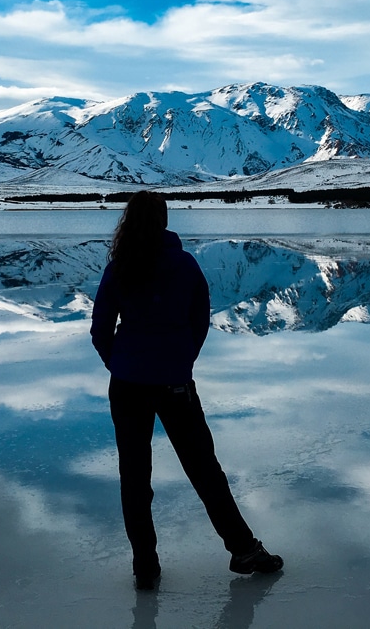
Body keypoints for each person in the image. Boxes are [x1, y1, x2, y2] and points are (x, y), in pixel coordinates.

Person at [91, 191, 283, 590]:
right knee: (204, 470)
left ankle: (145, 566)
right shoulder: (184, 265)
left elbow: (100, 329)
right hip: (174, 383)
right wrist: (180, 362)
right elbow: (200, 321)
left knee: (134, 476)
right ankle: (243, 549)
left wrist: (121, 364)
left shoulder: (120, 266)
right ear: (163, 221)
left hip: (127, 385)